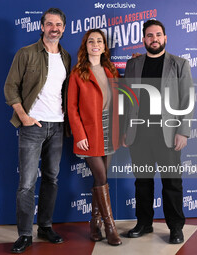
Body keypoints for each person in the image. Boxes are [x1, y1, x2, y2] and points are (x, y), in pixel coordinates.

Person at [4, 8, 71, 254]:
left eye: (59, 24)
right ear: (42, 26)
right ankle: (24, 234)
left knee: (52, 179)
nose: (55, 28)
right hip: (33, 126)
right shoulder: (26, 53)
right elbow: (10, 87)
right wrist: (24, 117)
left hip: (58, 126)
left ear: (64, 28)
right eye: (50, 24)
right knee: (27, 184)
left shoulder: (66, 57)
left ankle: (45, 227)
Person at [123, 19, 194, 244]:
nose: (154, 39)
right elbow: (127, 100)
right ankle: (144, 223)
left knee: (172, 182)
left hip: (168, 135)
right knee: (142, 181)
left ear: (165, 38)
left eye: (158, 35)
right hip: (139, 134)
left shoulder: (179, 63)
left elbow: (187, 99)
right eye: (150, 36)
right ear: (144, 39)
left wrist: (183, 131)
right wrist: (126, 129)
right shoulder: (133, 64)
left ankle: (175, 228)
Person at [67, 29, 122, 246]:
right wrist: (79, 134)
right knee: (101, 178)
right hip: (89, 132)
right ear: (85, 46)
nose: (96, 44)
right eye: (91, 41)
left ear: (104, 46)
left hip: (110, 128)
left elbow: (119, 102)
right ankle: (110, 227)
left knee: (101, 179)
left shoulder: (111, 70)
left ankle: (94, 223)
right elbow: (71, 108)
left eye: (100, 41)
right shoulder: (78, 72)